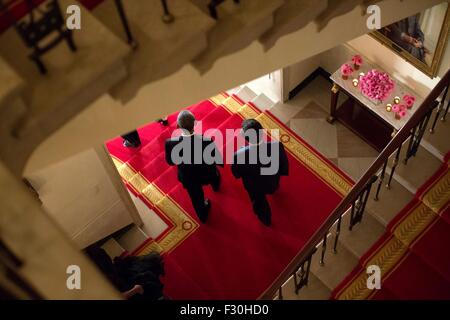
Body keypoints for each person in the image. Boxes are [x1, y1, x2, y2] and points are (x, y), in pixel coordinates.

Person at [165, 110, 222, 223]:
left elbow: (171, 162)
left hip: (189, 178)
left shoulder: (170, 143)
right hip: (207, 173)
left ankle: (203, 215)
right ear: (195, 124)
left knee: (196, 198)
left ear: (177, 126)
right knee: (215, 174)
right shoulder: (206, 140)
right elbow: (215, 157)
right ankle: (216, 186)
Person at [231, 119, 289, 226]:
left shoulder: (239, 155)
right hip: (273, 182)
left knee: (259, 202)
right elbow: (283, 165)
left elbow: (236, 174)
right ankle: (274, 189)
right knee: (272, 187)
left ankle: (265, 219)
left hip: (254, 187)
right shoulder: (277, 146)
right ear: (262, 132)